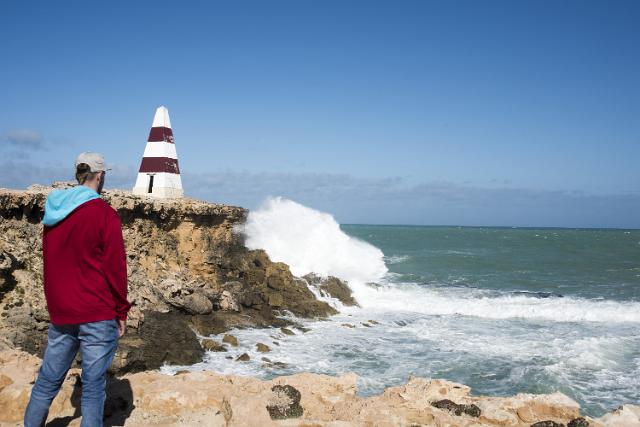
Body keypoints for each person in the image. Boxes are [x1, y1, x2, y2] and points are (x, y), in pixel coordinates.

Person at [24, 152, 131, 427]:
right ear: (100, 175)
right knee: (94, 387)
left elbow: (50, 261)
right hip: (96, 310)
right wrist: (121, 310)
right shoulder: (104, 214)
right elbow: (115, 269)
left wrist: (55, 305)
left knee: (47, 381)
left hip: (63, 311)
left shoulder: (54, 212)